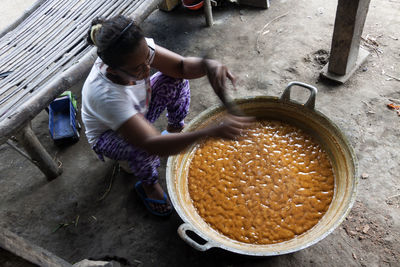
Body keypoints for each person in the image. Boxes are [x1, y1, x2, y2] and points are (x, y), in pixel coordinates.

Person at [81, 15, 252, 216]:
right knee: (142, 150)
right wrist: (210, 132)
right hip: (110, 135)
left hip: (139, 109)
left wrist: (208, 66)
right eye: (137, 69)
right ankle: (148, 185)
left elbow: (180, 67)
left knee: (176, 80)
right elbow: (151, 143)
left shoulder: (138, 51)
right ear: (112, 71)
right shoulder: (105, 95)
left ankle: (175, 128)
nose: (147, 69)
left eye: (148, 59)